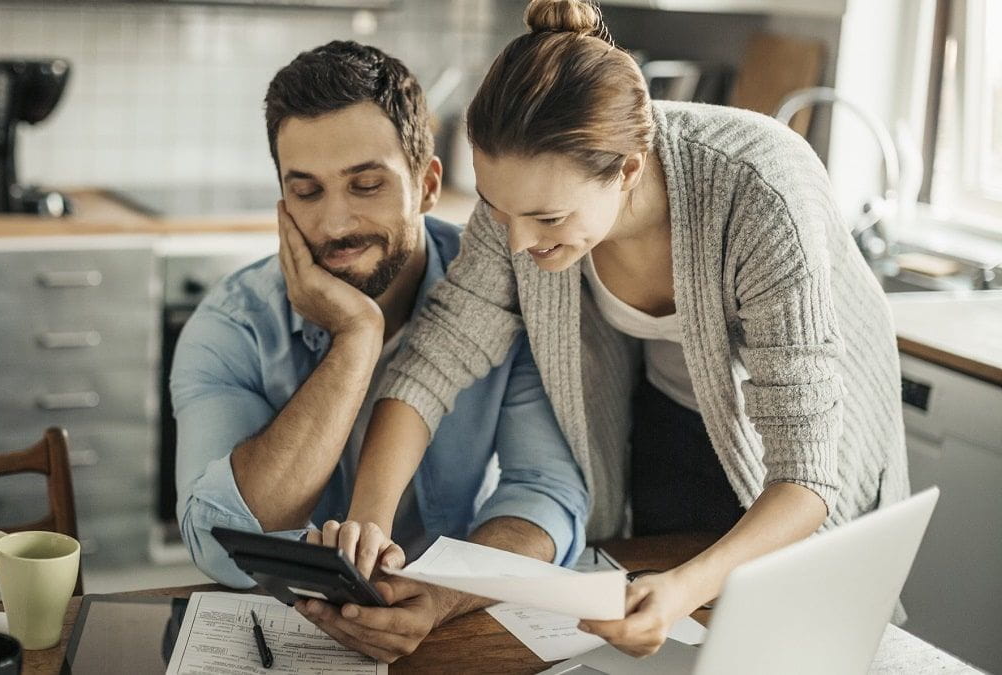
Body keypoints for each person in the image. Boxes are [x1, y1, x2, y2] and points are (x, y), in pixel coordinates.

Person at [334, 0, 909, 658]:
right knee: (681, 647)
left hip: (800, 456)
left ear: (629, 170)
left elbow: (806, 476)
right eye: (499, 209)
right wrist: (368, 523)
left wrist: (682, 586)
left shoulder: (760, 192)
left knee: (793, 641)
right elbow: (436, 358)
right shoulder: (523, 204)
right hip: (669, 419)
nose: (519, 242)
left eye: (548, 219)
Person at [169, 40, 589, 663]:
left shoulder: (506, 297)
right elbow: (219, 542)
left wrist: (444, 593)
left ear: (426, 185)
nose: (336, 224)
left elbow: (545, 496)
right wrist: (356, 339)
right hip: (291, 640)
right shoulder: (232, 326)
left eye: (366, 185)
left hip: (455, 623)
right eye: (306, 192)